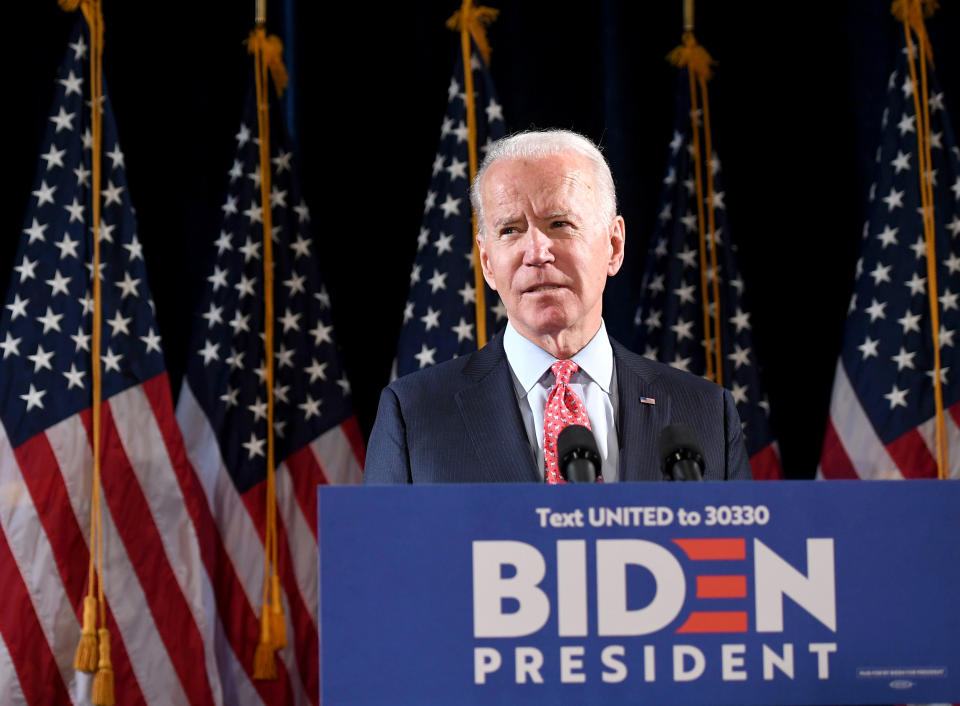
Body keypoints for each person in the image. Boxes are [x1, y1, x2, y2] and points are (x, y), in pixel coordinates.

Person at [364, 129, 751, 483]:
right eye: (510, 230)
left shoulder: (704, 412)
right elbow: (385, 557)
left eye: (559, 224)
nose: (535, 252)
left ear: (614, 246)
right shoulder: (414, 415)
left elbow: (736, 555)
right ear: (487, 263)